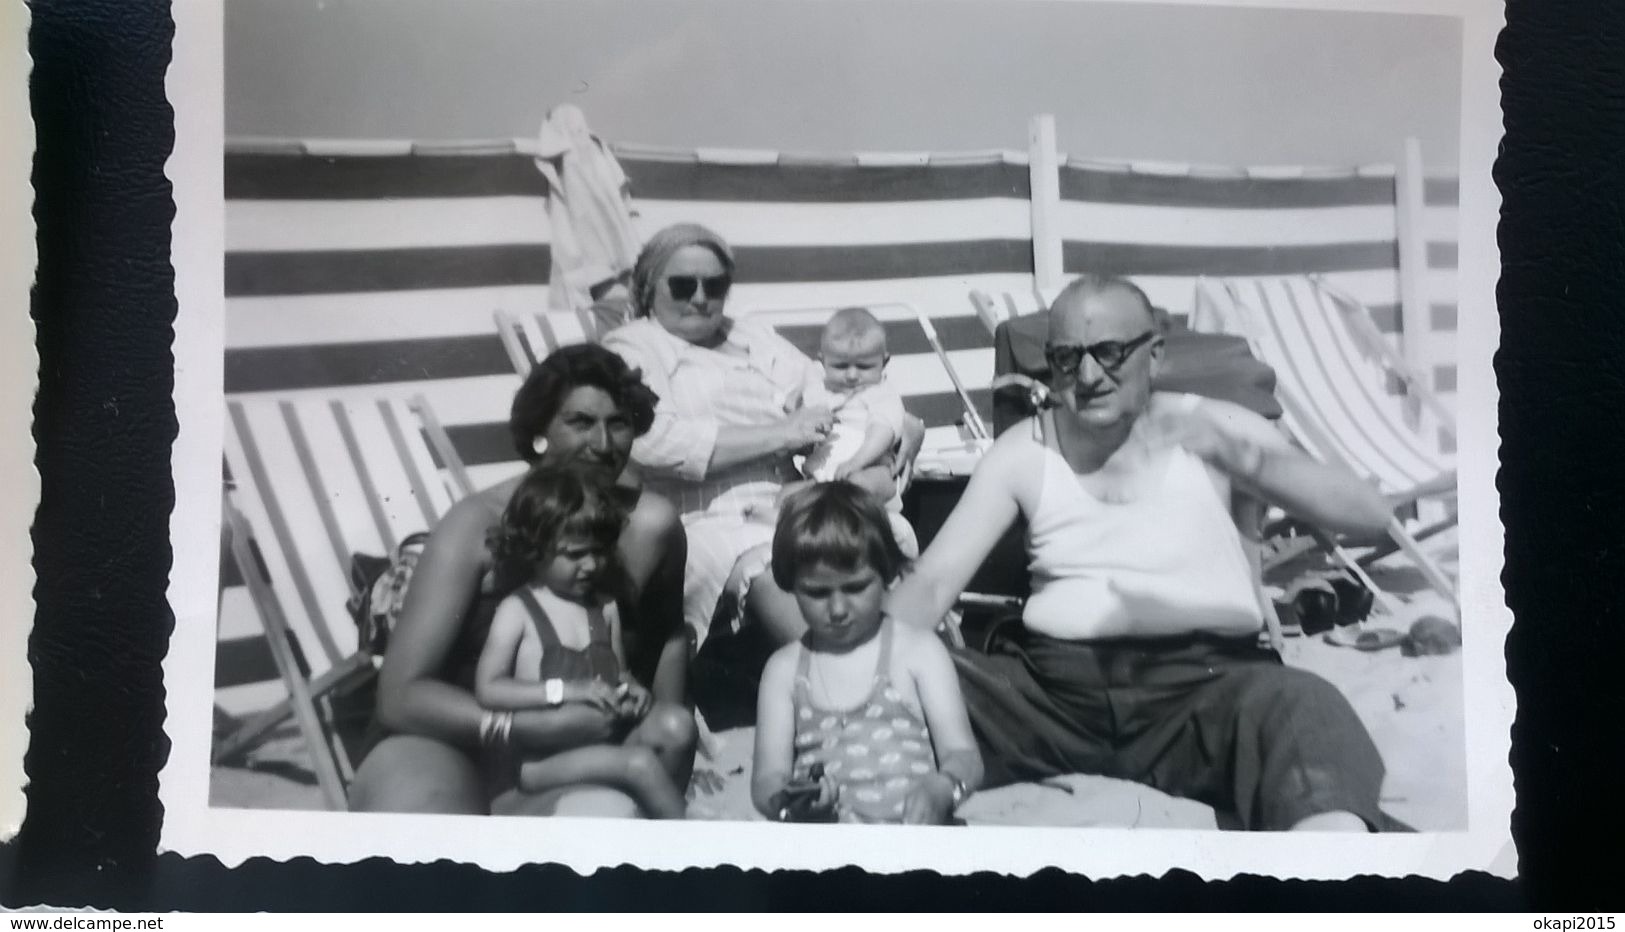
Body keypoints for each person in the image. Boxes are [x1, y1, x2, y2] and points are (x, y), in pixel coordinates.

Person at [886, 274, 1401, 832]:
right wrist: (856, 662)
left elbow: (1371, 515)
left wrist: (1241, 459)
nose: (1087, 376)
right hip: (1051, 698)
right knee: (909, 686)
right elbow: (934, 585)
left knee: (1306, 709)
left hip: (1206, 689)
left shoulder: (1214, 425)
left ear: (1153, 355)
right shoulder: (1024, 450)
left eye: (1108, 353)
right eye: (1066, 358)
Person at [348, 344, 694, 816]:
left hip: (575, 736)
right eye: (580, 423)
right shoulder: (475, 526)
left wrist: (667, 731)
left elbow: (668, 635)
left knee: (609, 823)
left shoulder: (649, 526)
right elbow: (401, 694)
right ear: (539, 433)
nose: (603, 444)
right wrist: (518, 729)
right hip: (450, 733)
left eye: (618, 423)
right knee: (423, 828)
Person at [600, 223, 921, 650]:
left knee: (886, 534)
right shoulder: (634, 346)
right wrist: (782, 434)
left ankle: (914, 673)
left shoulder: (750, 335)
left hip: (795, 500)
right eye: (682, 285)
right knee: (784, 563)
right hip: (707, 517)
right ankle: (851, 682)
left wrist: (900, 426)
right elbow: (653, 440)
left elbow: (834, 392)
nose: (700, 297)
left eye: (714, 285)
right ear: (649, 286)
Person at [751, 483, 982, 824]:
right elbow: (767, 778)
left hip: (915, 834)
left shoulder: (917, 651)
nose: (838, 608)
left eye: (856, 587)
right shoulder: (786, 670)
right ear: (790, 585)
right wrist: (790, 799)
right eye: (817, 593)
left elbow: (963, 755)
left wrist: (944, 787)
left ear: (887, 573)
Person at [474, 467, 689, 818]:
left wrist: (634, 692)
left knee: (677, 726)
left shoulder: (603, 606)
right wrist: (566, 691)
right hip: (541, 760)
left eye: (598, 552)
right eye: (574, 554)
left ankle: (646, 816)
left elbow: (620, 675)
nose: (590, 565)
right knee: (637, 763)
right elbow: (489, 689)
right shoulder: (519, 609)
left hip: (605, 742)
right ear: (535, 549)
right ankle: (686, 845)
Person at [749, 306, 919, 556]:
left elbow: (883, 431)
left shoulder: (880, 393)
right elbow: (797, 412)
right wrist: (796, 400)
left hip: (871, 470)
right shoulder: (822, 389)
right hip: (823, 479)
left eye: (864, 367)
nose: (851, 375)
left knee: (858, 484)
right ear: (823, 361)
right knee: (787, 493)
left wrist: (857, 461)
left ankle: (808, 512)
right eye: (840, 366)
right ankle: (781, 520)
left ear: (884, 362)